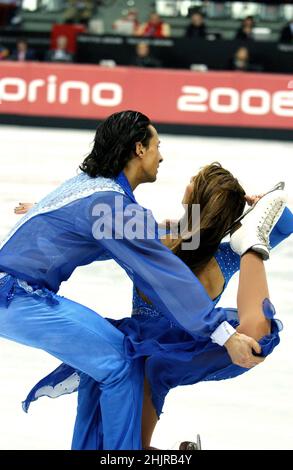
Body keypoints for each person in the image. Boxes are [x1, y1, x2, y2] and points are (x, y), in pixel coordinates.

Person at [20, 164, 290, 449]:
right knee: (130, 447)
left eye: (194, 179)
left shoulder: (156, 241)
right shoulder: (224, 257)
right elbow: (286, 223)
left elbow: (96, 233)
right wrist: (258, 205)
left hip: (134, 353)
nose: (189, 179)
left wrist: (47, 214)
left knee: (113, 444)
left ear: (196, 198)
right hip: (176, 355)